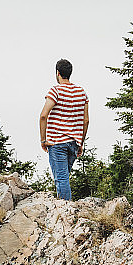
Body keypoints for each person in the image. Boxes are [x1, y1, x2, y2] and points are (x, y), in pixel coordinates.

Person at [39, 59, 89, 201]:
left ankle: (65, 212)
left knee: (61, 180)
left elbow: (43, 115)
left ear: (58, 73)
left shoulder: (55, 91)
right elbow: (86, 120)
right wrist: (80, 143)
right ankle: (65, 209)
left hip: (57, 143)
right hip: (74, 143)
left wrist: (43, 140)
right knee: (64, 178)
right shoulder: (82, 93)